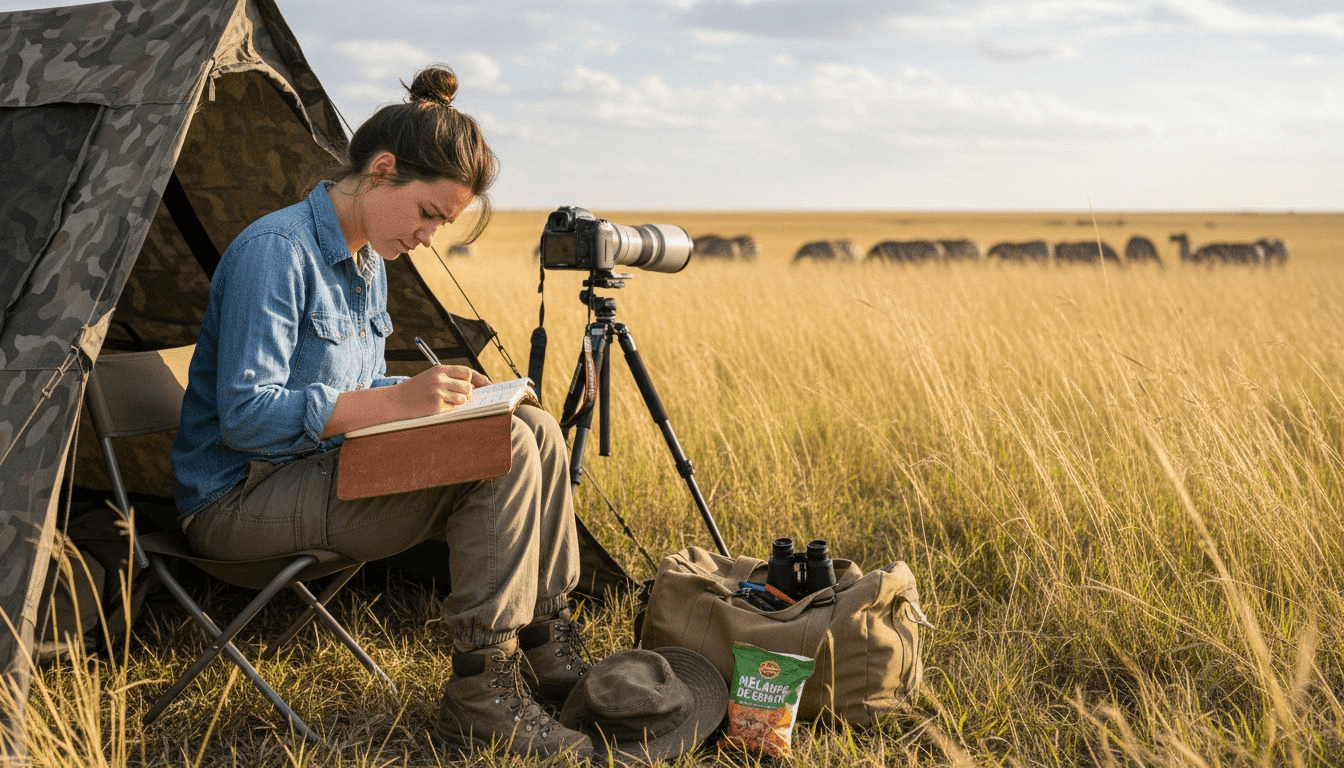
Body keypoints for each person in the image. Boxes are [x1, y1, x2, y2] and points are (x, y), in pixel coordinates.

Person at [170, 65, 593, 759]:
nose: (430, 237)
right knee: (506, 452)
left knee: (534, 428)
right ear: (383, 170)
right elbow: (246, 417)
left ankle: (546, 645)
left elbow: (356, 383)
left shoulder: (368, 260)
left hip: (324, 470)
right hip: (237, 500)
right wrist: (396, 401)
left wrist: (433, 390)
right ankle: (483, 690)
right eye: (428, 213)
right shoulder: (276, 253)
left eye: (443, 225)